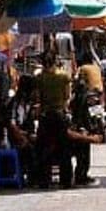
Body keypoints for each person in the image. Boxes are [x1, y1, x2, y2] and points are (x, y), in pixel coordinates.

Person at [34, 54, 71, 188]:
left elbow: (37, 98)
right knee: (64, 148)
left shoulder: (39, 78)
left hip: (46, 115)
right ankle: (65, 180)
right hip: (60, 114)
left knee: (44, 148)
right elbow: (67, 96)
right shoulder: (63, 76)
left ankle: (44, 180)